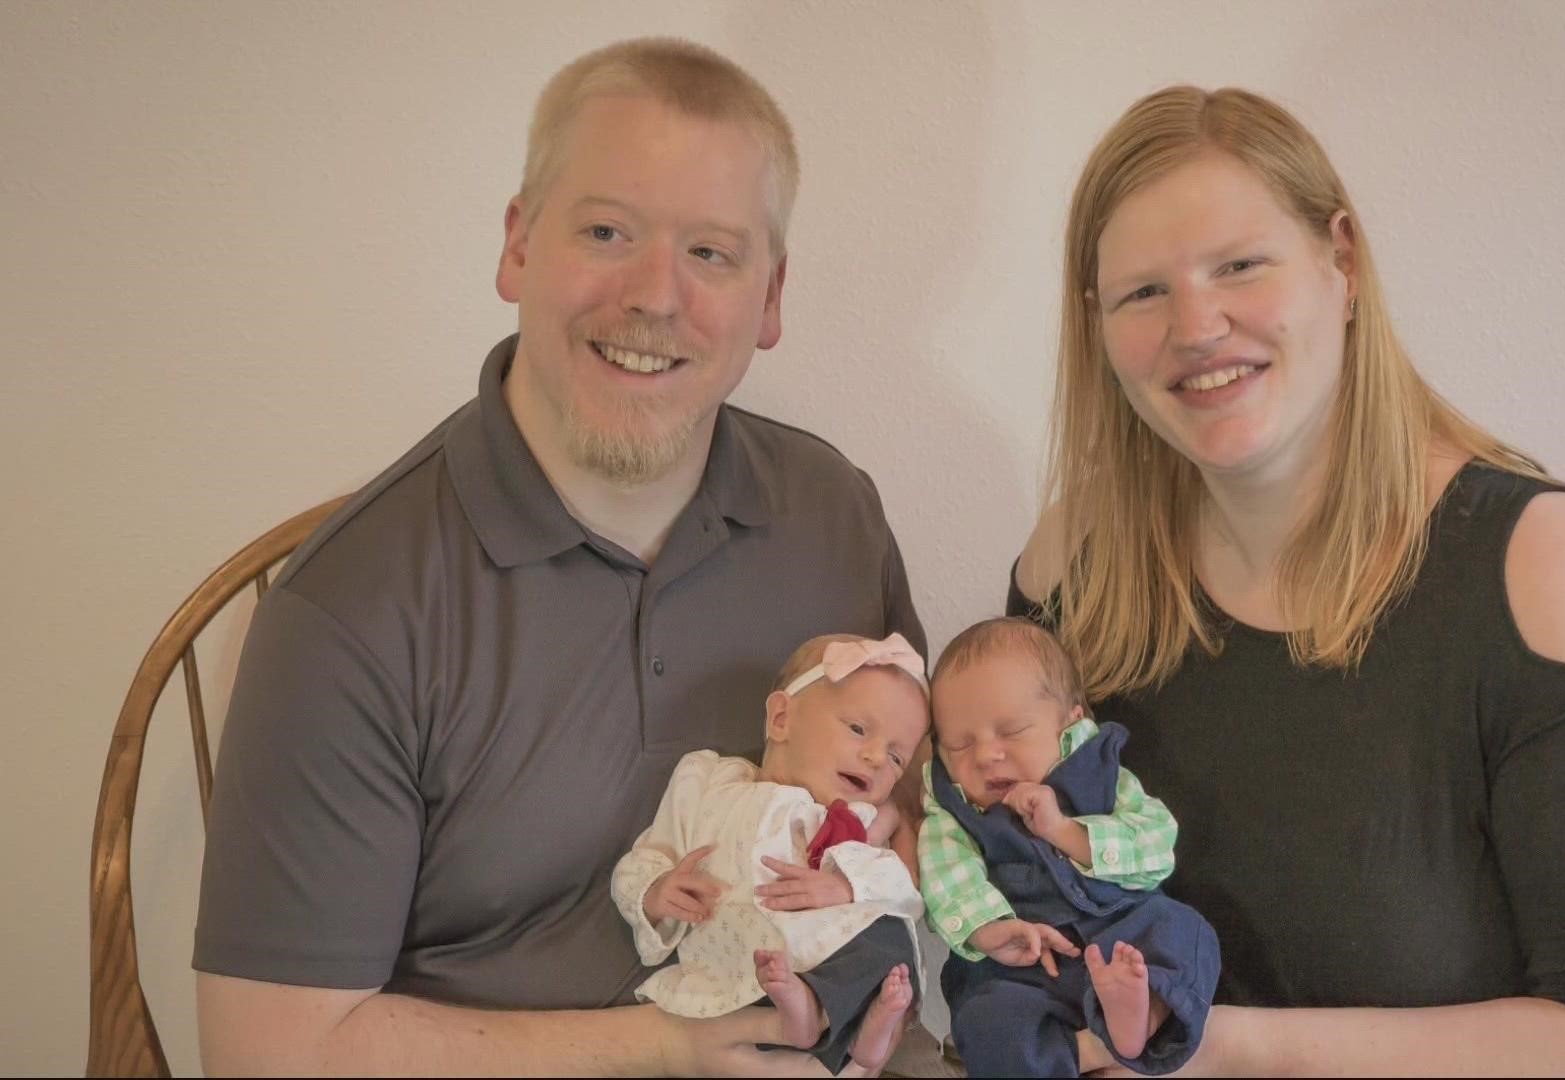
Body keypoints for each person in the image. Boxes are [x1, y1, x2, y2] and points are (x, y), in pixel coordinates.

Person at [193, 39, 924, 1075]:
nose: (655, 296)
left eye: (710, 252)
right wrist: (673, 1049)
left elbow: (910, 822)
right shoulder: (349, 607)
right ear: (519, 246)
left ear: (770, 298)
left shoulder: (833, 516)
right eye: (607, 230)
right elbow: (269, 1055)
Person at [1009, 86, 1565, 1077]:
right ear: (1097, 325)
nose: (1197, 324)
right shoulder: (1074, 569)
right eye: (1143, 293)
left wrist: (1219, 1052)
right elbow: (1029, 917)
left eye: (1240, 267)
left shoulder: (1545, 567)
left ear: (1341, 263)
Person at [611, 633, 929, 1074]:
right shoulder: (708, 783)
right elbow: (645, 857)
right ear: (781, 718)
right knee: (787, 974)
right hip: (740, 965)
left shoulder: (856, 820)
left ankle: (862, 1029)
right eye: (858, 729)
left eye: (897, 758)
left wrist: (843, 886)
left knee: (891, 937)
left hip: (826, 958)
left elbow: (901, 886)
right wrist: (654, 891)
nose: (877, 758)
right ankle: (804, 1015)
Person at [918, 617, 1219, 1077]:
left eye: (1012, 731)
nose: (984, 755)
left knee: (1187, 932)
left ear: (1070, 723)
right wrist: (987, 929)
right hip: (1023, 967)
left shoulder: (1098, 769)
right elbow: (944, 875)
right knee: (982, 1022)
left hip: (1124, 935)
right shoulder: (951, 808)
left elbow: (1157, 847)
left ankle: (1140, 1014)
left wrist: (1065, 831)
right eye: (959, 744)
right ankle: (1092, 1051)